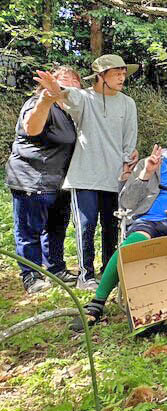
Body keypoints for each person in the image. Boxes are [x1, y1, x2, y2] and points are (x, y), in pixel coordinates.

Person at [69, 129, 167, 330]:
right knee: (133, 243)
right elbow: (127, 201)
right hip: (149, 220)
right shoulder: (150, 163)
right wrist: (146, 174)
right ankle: (97, 302)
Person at [35, 55, 139, 291]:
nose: (122, 77)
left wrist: (128, 161)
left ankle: (109, 272)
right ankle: (86, 275)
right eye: (116, 73)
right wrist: (54, 88)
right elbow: (66, 95)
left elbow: (129, 139)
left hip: (115, 177)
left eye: (124, 73)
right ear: (101, 76)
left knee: (112, 226)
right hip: (85, 176)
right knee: (86, 225)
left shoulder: (127, 103)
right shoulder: (85, 98)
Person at [8, 66, 82, 293]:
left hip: (59, 182)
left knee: (55, 228)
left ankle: (56, 269)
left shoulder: (70, 113)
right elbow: (31, 128)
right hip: (31, 179)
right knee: (29, 230)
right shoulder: (38, 103)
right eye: (62, 80)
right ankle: (31, 275)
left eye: (74, 81)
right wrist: (46, 100)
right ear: (48, 83)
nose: (69, 84)